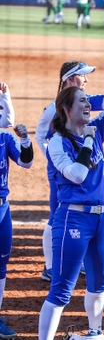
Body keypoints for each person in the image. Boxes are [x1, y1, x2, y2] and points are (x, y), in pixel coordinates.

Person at [38, 44, 104, 340]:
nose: (88, 105)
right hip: (72, 220)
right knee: (61, 291)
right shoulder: (58, 143)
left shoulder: (96, 128)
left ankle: (94, 333)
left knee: (100, 284)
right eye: (82, 102)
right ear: (66, 110)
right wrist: (87, 141)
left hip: (101, 222)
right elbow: (77, 174)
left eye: (88, 101)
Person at [35, 58, 104, 282]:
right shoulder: (52, 108)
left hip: (84, 163)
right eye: (83, 75)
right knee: (57, 215)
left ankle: (81, 258)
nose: (86, 79)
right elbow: (39, 135)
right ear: (71, 79)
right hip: (62, 168)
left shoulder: (85, 100)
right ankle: (50, 265)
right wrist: (53, 158)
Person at [0, 85, 33, 340]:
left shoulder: (5, 138)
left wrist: (24, 140)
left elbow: (26, 162)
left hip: (2, 208)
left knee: (1, 264)